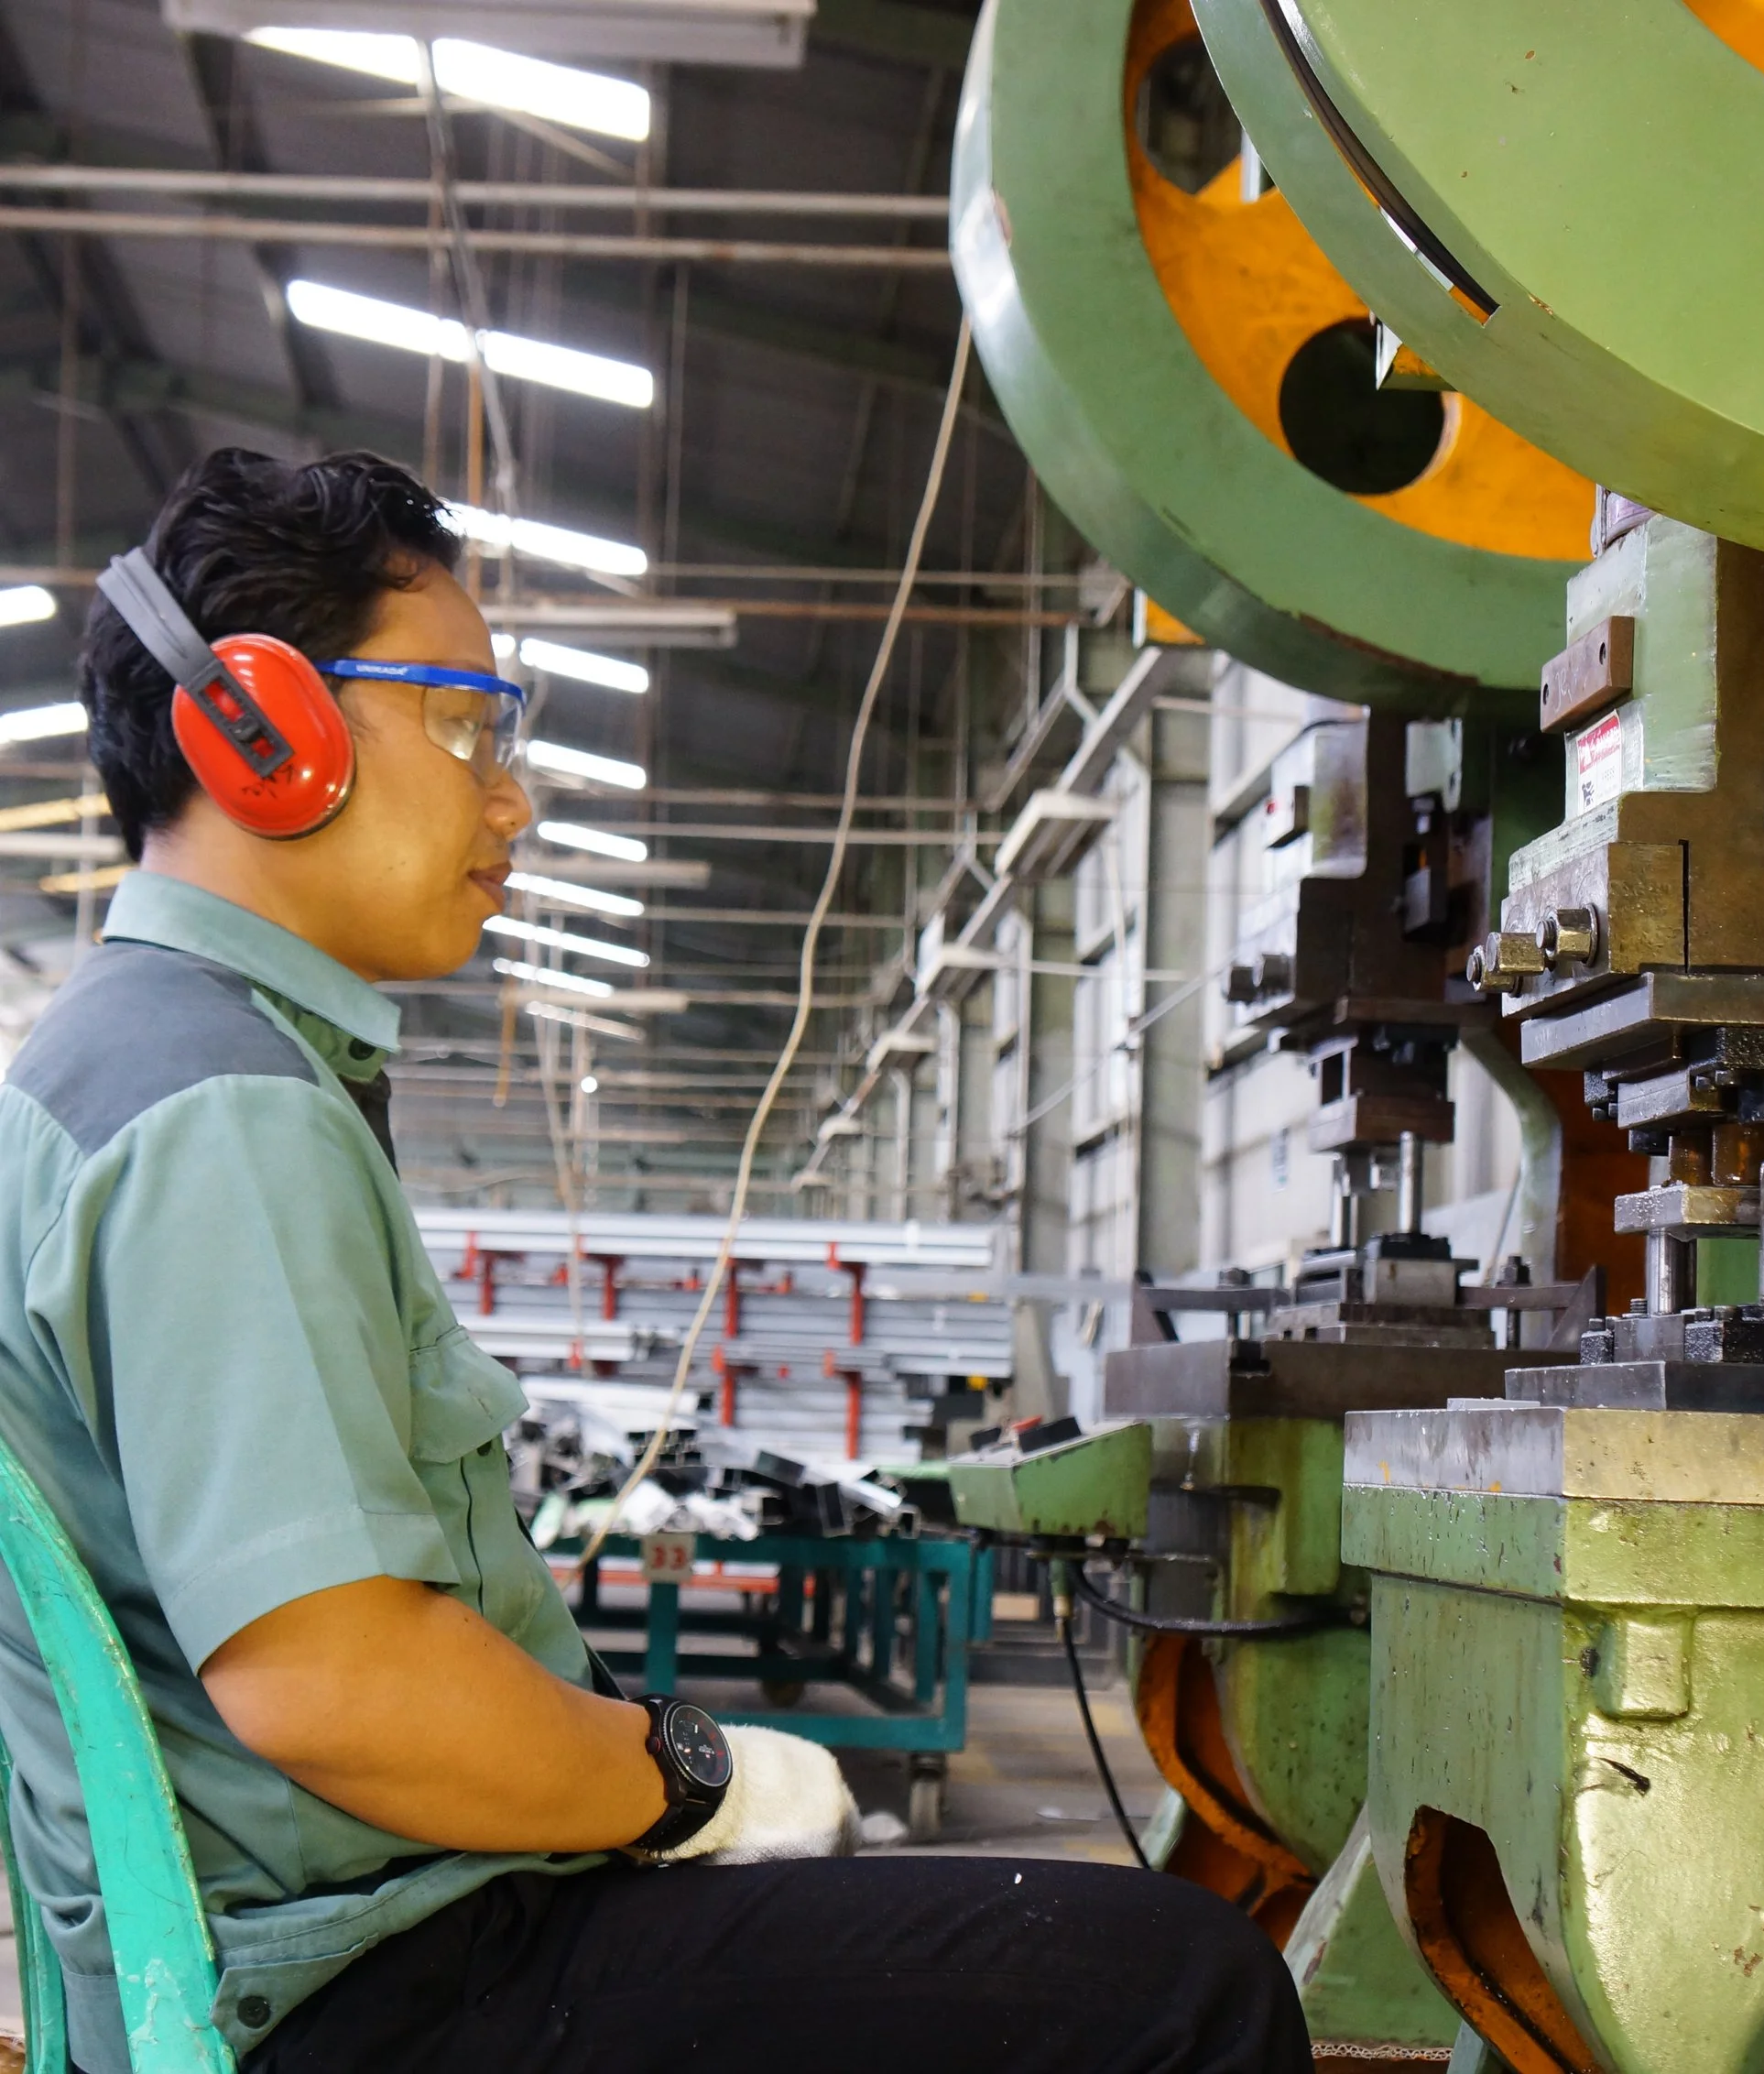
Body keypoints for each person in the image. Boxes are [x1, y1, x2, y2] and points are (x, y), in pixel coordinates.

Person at [0, 448, 1311, 2074]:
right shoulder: (216, 1110)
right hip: (391, 1994)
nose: (513, 796)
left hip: (359, 1957)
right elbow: (340, 1687)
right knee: (1182, 1986)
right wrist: (695, 1775)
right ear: (258, 734)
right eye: (467, 724)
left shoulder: (139, 1069)